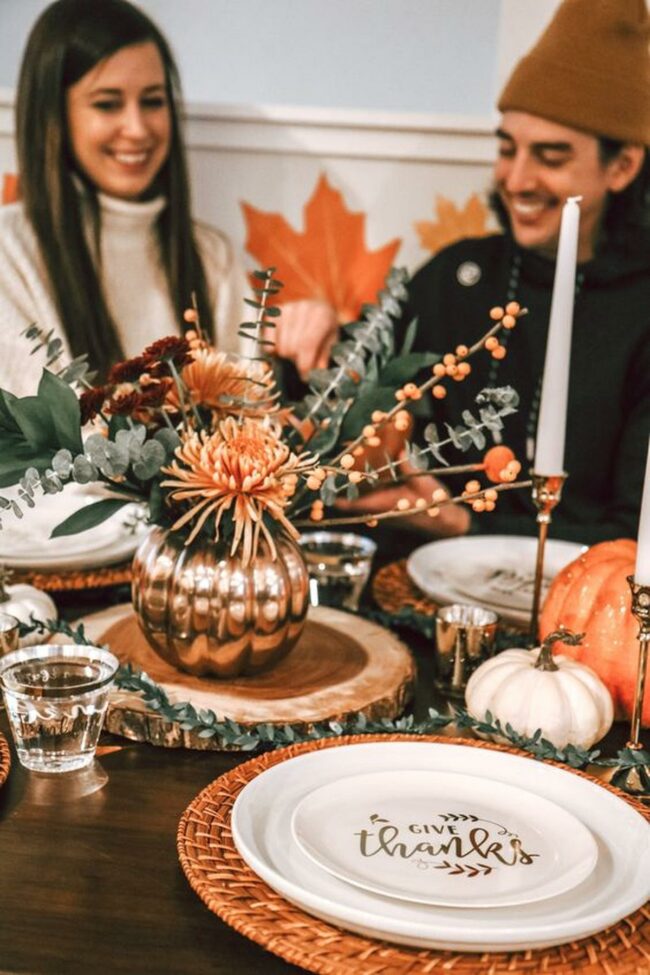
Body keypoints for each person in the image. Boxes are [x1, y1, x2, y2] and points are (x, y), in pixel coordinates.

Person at [324, 0, 650, 545]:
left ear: (622, 166)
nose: (516, 180)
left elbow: (631, 535)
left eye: (550, 157)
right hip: (425, 582)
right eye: (506, 149)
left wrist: (466, 521)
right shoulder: (463, 272)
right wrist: (312, 336)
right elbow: (351, 375)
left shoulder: (641, 309)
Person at [0, 0, 248, 395]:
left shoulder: (211, 256)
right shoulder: (9, 251)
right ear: (55, 115)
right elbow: (38, 432)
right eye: (107, 104)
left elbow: (250, 412)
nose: (136, 129)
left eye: (152, 101)